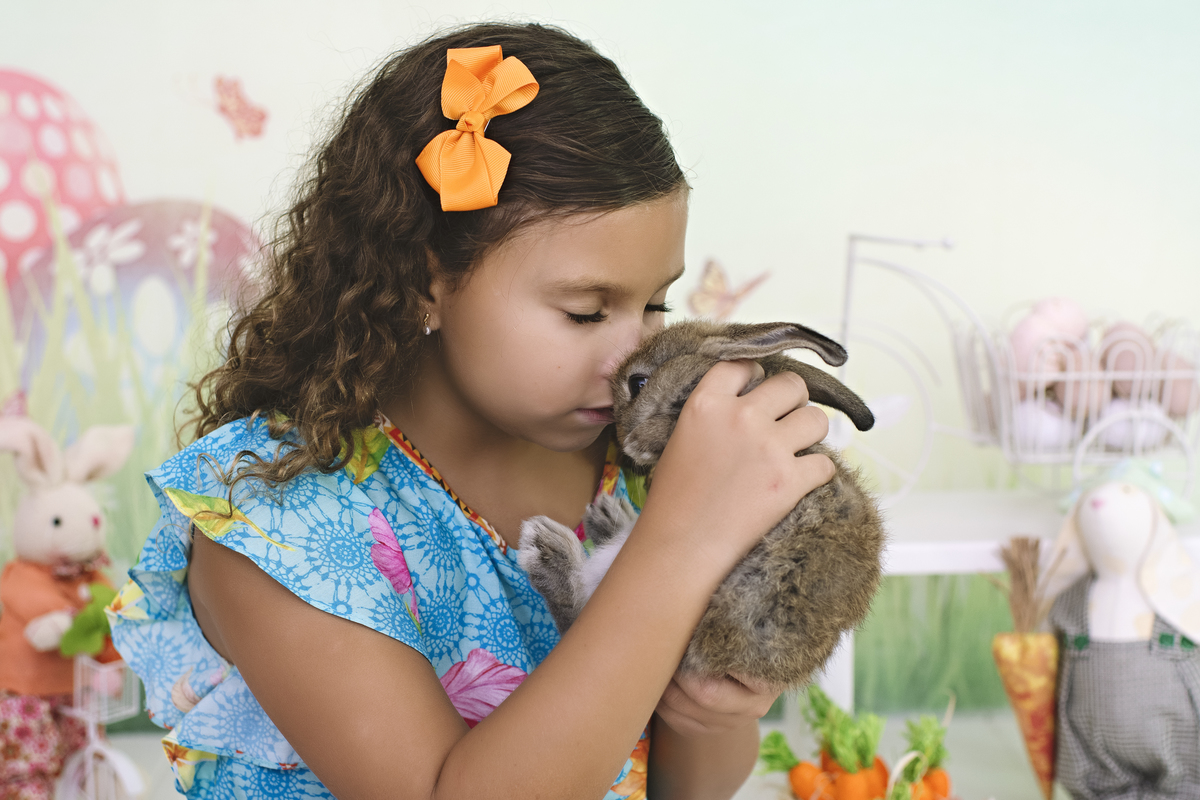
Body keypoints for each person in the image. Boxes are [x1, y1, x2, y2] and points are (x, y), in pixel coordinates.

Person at [109, 21, 834, 800]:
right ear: (426, 279)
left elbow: (679, 784)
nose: (633, 358)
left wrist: (710, 718)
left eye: (656, 303)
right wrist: (683, 542)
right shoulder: (273, 519)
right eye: (586, 312)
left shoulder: (635, 470)